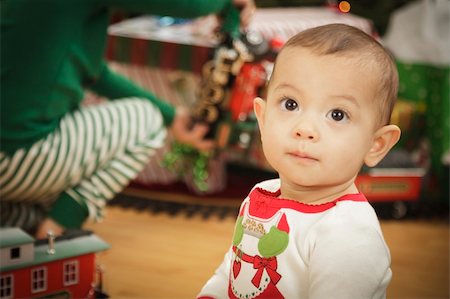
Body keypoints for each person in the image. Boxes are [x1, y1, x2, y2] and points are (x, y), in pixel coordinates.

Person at [0, 0, 255, 239]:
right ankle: (53, 232)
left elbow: (95, 74)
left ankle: (25, 222)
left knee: (24, 218)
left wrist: (172, 115)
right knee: (145, 120)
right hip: (16, 155)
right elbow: (193, 4)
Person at [197, 23, 401, 299]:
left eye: (337, 114)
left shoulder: (348, 234)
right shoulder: (260, 197)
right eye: (290, 104)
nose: (305, 128)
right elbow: (234, 271)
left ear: (376, 145)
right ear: (263, 117)